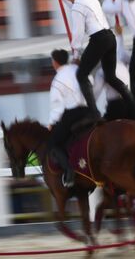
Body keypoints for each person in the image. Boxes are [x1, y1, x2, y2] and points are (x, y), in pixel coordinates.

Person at [60, 0, 135, 120]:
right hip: (110, 38)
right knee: (111, 76)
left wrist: (76, 55)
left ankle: (93, 113)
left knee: (81, 75)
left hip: (98, 40)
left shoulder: (78, 6)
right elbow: (74, 6)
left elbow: (77, 33)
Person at [47, 49, 93, 188]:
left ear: (55, 62)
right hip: (89, 111)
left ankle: (69, 172)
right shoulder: (78, 69)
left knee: (54, 142)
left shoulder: (58, 78)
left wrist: (51, 123)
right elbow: (91, 83)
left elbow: (58, 106)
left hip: (72, 114)